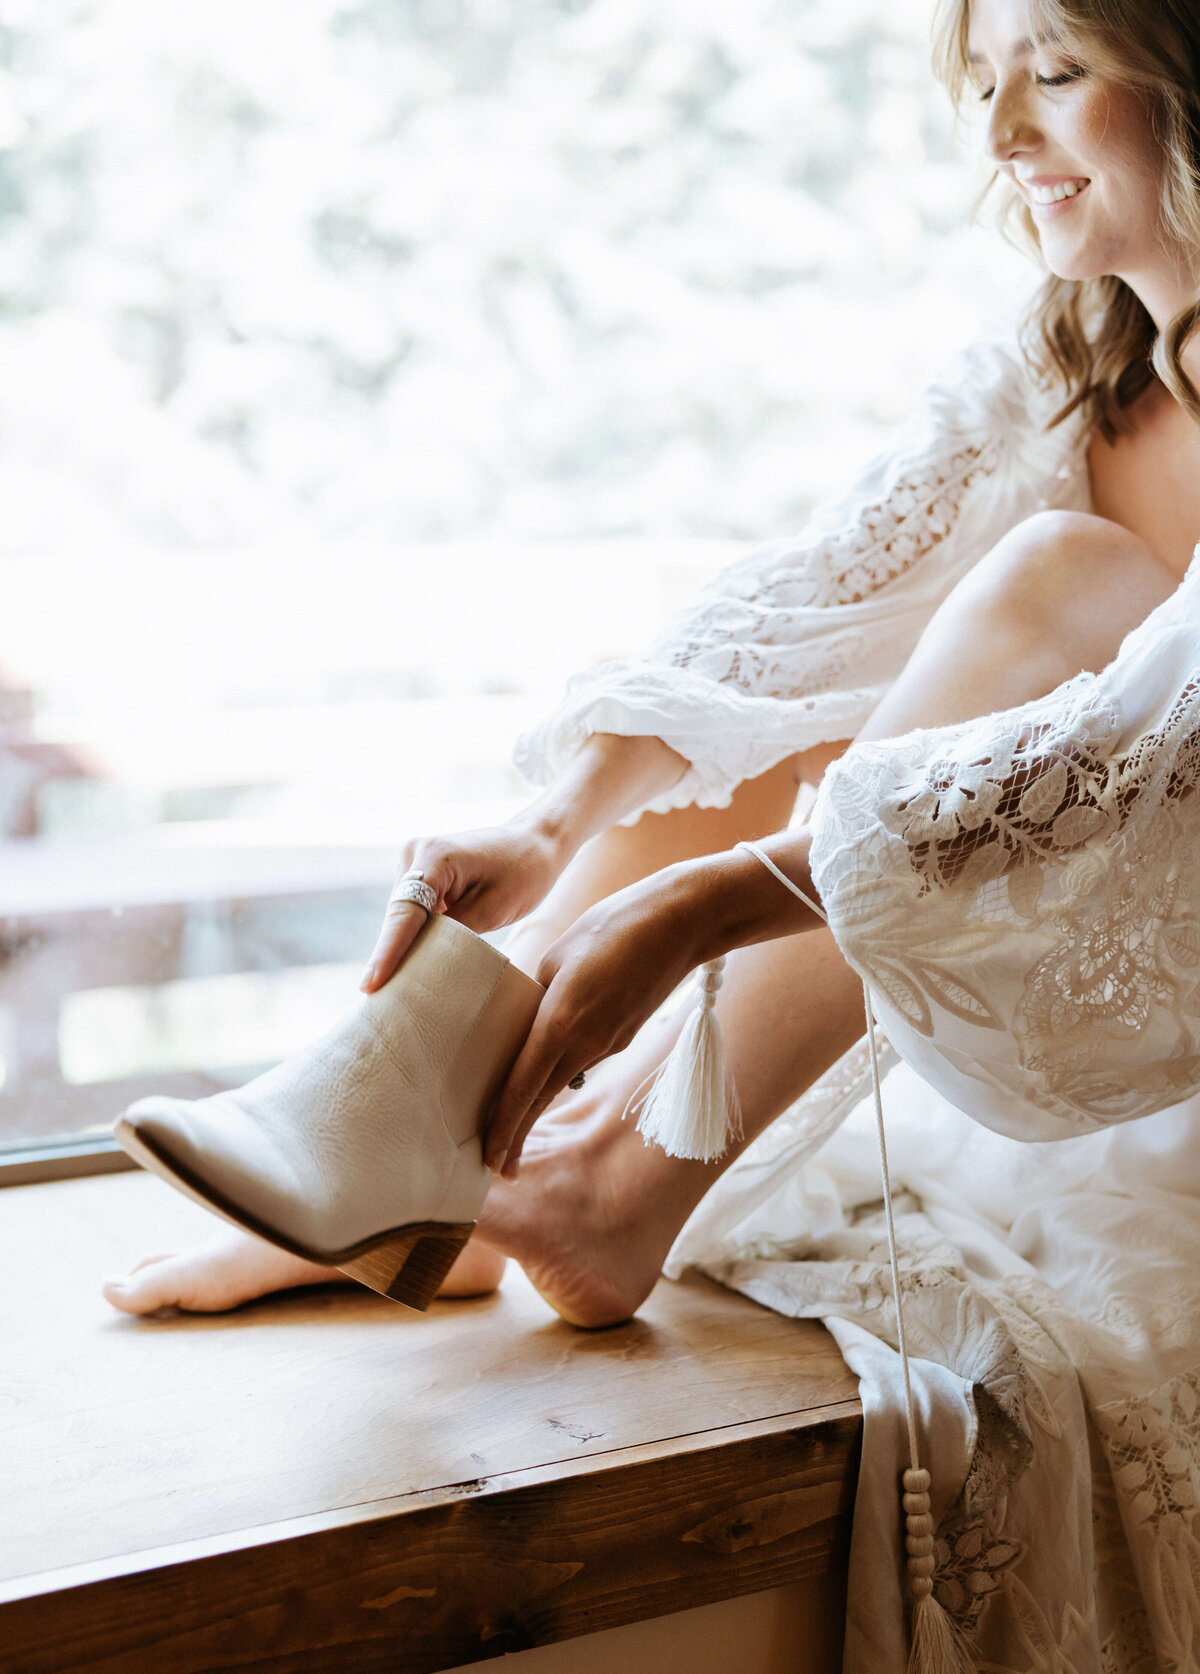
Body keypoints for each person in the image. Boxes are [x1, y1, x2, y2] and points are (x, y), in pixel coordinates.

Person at [105, 0, 1200, 1330]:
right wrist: (552, 824)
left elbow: (1135, 769)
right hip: (1025, 950)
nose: (1003, 130)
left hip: (1148, 1025)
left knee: (1059, 581)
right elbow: (817, 601)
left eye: (1059, 71)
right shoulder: (1068, 357)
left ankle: (603, 1186)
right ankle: (416, 1127)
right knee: (807, 686)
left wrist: (695, 907)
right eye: (981, 83)